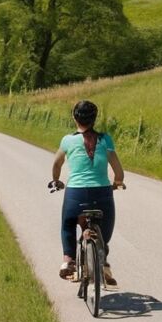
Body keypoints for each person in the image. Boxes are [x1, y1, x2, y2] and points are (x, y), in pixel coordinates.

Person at [49, 100, 125, 286]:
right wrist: (117, 183)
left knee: (68, 224)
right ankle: (104, 263)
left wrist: (57, 180)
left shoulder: (67, 140)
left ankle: (68, 261)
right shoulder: (105, 139)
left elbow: (57, 164)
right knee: (103, 232)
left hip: (76, 194)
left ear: (75, 118)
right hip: (103, 194)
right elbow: (119, 171)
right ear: (94, 119)